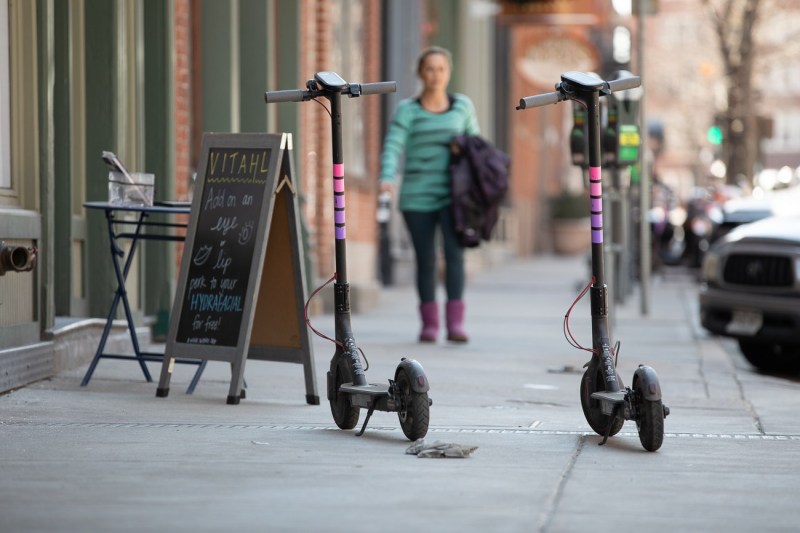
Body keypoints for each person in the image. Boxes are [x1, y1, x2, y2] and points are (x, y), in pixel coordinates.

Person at [378, 46, 479, 343]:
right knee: (425, 259)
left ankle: (456, 324)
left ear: (449, 73)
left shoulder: (462, 107)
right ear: (421, 73)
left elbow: (477, 148)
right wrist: (386, 177)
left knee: (454, 255)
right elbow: (393, 145)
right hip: (416, 196)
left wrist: (465, 149)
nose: (435, 75)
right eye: (430, 69)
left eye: (441, 69)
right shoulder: (408, 110)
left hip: (454, 196)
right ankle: (430, 325)